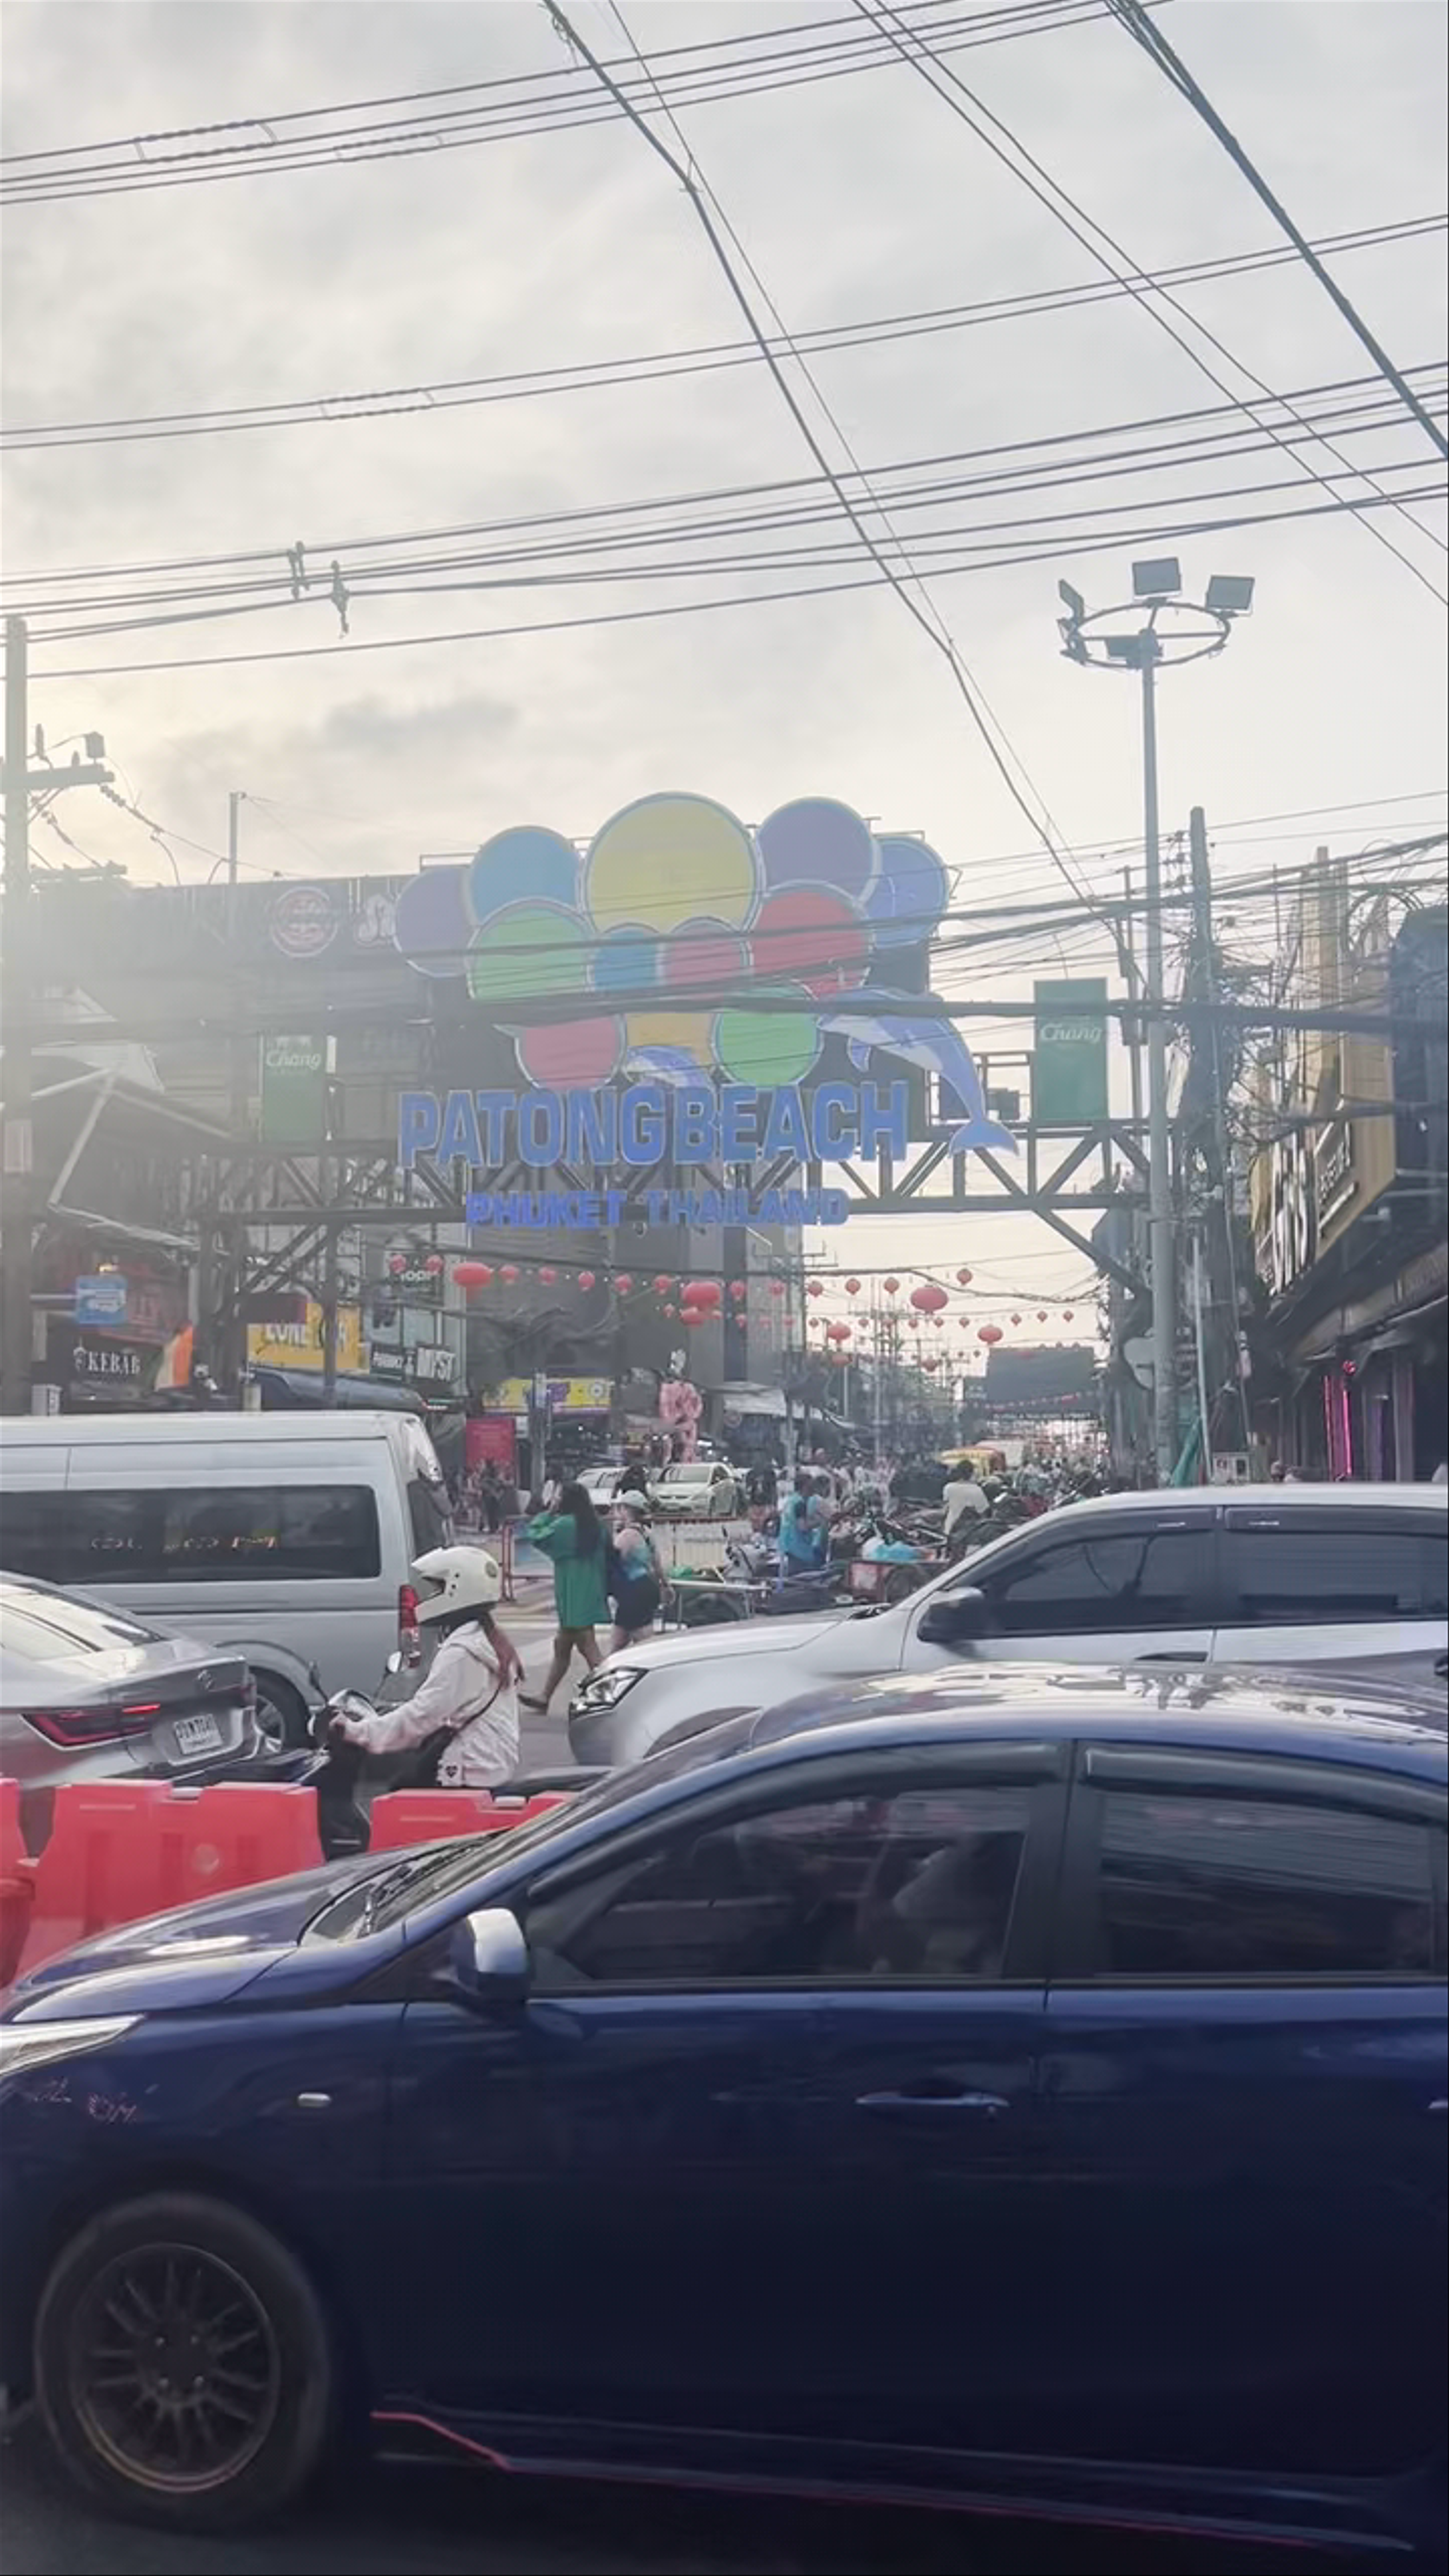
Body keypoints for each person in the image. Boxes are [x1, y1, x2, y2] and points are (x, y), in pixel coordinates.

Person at [328, 1545, 522, 1787]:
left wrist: (357, 1732)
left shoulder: (462, 1653)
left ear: (456, 1589)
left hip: (470, 1770)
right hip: (491, 1764)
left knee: (397, 1794)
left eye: (437, 1588)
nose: (428, 1597)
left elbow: (422, 1717)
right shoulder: (488, 1640)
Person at [521, 1479, 611, 1711]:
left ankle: (611, 1692)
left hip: (572, 1589)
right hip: (591, 1587)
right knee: (563, 1645)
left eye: (560, 1497)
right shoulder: (596, 1526)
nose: (557, 1500)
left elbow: (536, 1535)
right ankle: (544, 1697)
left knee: (587, 1645)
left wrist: (548, 1514)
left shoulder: (564, 1525)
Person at [608, 1499, 664, 1651]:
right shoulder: (647, 1533)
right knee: (620, 1639)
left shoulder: (627, 1536)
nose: (617, 1514)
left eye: (620, 1509)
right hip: (647, 1587)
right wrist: (665, 1584)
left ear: (627, 1511)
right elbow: (657, 1563)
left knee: (641, 1640)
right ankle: (613, 1663)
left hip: (632, 1592)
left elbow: (613, 1560)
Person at [780, 1471, 829, 1571]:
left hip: (788, 1547)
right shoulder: (800, 1504)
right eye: (811, 1485)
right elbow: (803, 1527)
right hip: (800, 1551)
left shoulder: (791, 1501)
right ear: (805, 1487)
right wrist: (821, 1521)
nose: (814, 1488)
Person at [941, 1467, 989, 1537]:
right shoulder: (977, 1490)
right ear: (971, 1475)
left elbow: (946, 1506)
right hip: (970, 1531)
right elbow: (983, 1511)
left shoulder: (949, 1487)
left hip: (950, 1527)